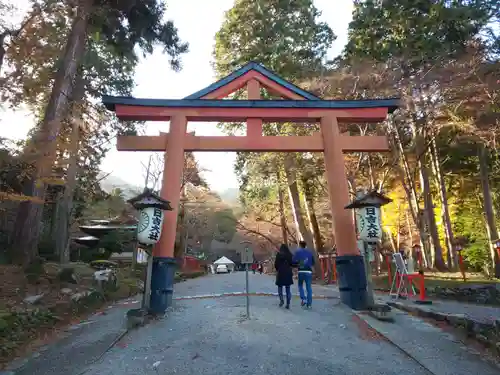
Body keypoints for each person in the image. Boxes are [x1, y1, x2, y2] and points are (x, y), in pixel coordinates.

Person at [292, 241, 315, 308]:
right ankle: (309, 304)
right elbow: (313, 262)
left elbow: (293, 261)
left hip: (301, 270)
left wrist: (299, 264)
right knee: (309, 287)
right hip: (308, 271)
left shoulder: (298, 252)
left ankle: (303, 299)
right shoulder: (309, 252)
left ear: (300, 245)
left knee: (300, 285)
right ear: (305, 245)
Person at [274, 244, 294, 309]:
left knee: (280, 287)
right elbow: (292, 263)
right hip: (288, 272)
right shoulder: (290, 254)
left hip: (280, 272)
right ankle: (288, 303)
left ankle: (281, 300)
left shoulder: (279, 254)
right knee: (288, 289)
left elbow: (276, 264)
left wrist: (278, 269)